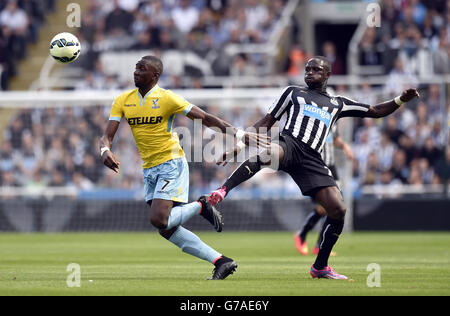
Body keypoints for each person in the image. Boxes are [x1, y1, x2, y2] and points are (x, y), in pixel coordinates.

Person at [208, 56, 420, 280]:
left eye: (315, 69)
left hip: (312, 159)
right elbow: (265, 123)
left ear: (327, 75)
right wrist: (239, 146)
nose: (309, 73)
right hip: (289, 145)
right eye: (307, 69)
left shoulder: (338, 103)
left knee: (338, 210)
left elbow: (375, 111)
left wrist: (400, 100)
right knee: (268, 153)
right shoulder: (293, 93)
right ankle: (223, 190)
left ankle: (320, 266)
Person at [99, 55, 269, 280]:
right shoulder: (122, 100)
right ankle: (221, 261)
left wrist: (238, 133)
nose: (136, 72)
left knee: (158, 219)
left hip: (171, 163)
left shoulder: (167, 98)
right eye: (135, 68)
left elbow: (205, 118)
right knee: (167, 229)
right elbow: (106, 136)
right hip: (149, 168)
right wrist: (105, 151)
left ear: (155, 75)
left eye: (142, 69)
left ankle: (201, 205)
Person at [294, 124, 354, 256]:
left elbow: (335, 138)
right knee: (323, 208)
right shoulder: (311, 121)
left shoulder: (333, 121)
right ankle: (301, 234)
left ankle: (319, 245)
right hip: (316, 167)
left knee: (336, 207)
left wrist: (345, 146)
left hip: (331, 168)